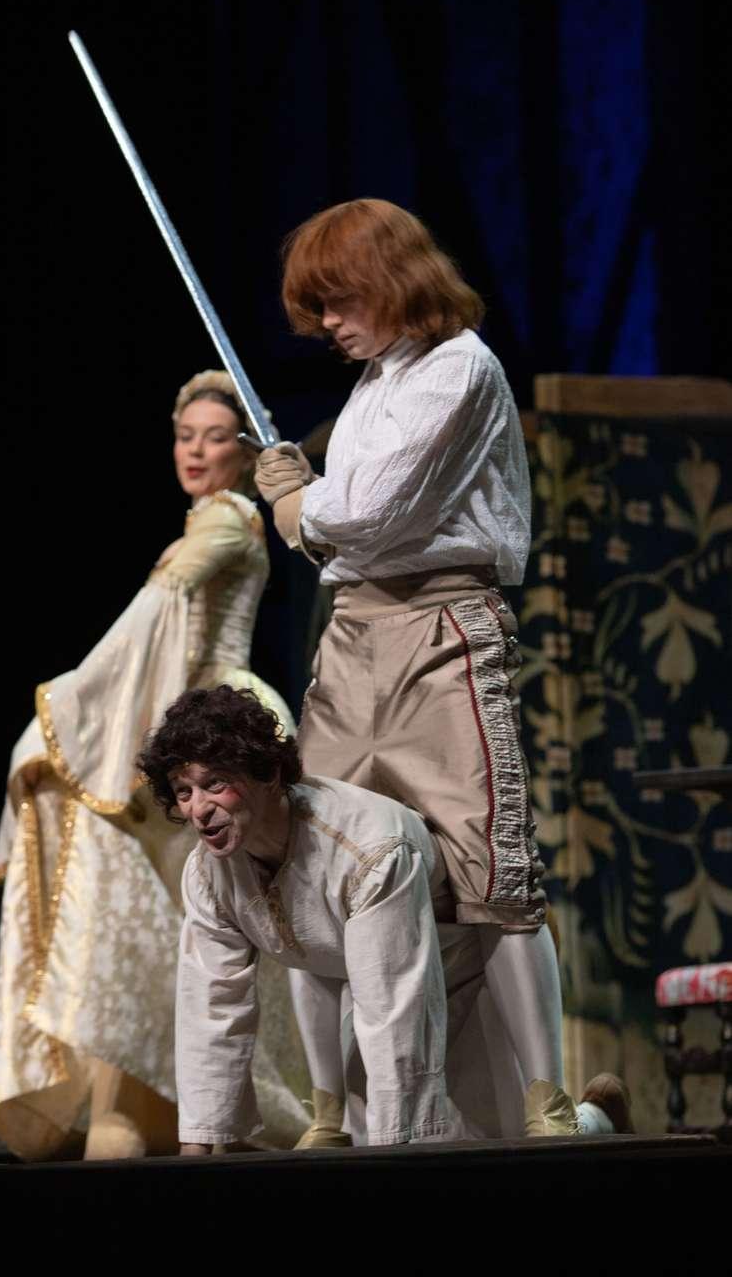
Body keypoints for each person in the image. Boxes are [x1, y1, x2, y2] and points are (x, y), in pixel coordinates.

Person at [253, 198, 632, 1137]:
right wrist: (313, 504)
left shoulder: (459, 367)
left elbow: (367, 513)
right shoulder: (373, 382)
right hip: (353, 636)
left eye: (338, 302)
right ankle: (330, 1112)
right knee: (314, 870)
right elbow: (355, 524)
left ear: (388, 283)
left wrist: (297, 506)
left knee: (489, 873)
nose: (327, 325)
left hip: (440, 633)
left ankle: (552, 1105)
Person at [0, 370, 309, 1161]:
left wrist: (71, 710)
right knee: (153, 916)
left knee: (181, 915)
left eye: (215, 437)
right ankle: (143, 1103)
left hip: (208, 726)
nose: (196, 451)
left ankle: (159, 1109)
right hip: (180, 716)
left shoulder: (228, 519)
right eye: (184, 436)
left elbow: (154, 616)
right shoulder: (210, 517)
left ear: (245, 453)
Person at [138, 685, 628, 1151]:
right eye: (183, 791)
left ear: (266, 774)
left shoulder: (368, 848)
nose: (199, 810)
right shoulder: (209, 873)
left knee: (492, 1146)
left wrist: (392, 1153)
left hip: (468, 972)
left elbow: (394, 1005)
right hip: (369, 984)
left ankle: (598, 1116)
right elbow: (210, 1003)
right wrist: (197, 1144)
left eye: (215, 784)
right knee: (396, 1131)